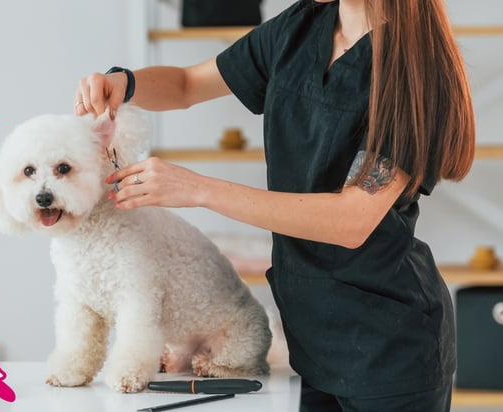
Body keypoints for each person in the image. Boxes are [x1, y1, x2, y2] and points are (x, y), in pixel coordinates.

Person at [74, 0, 475, 410]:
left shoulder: (417, 70)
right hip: (313, 343)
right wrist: (125, 83)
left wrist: (198, 189)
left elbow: (352, 220)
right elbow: (186, 85)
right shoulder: (301, 27)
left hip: (389, 355)